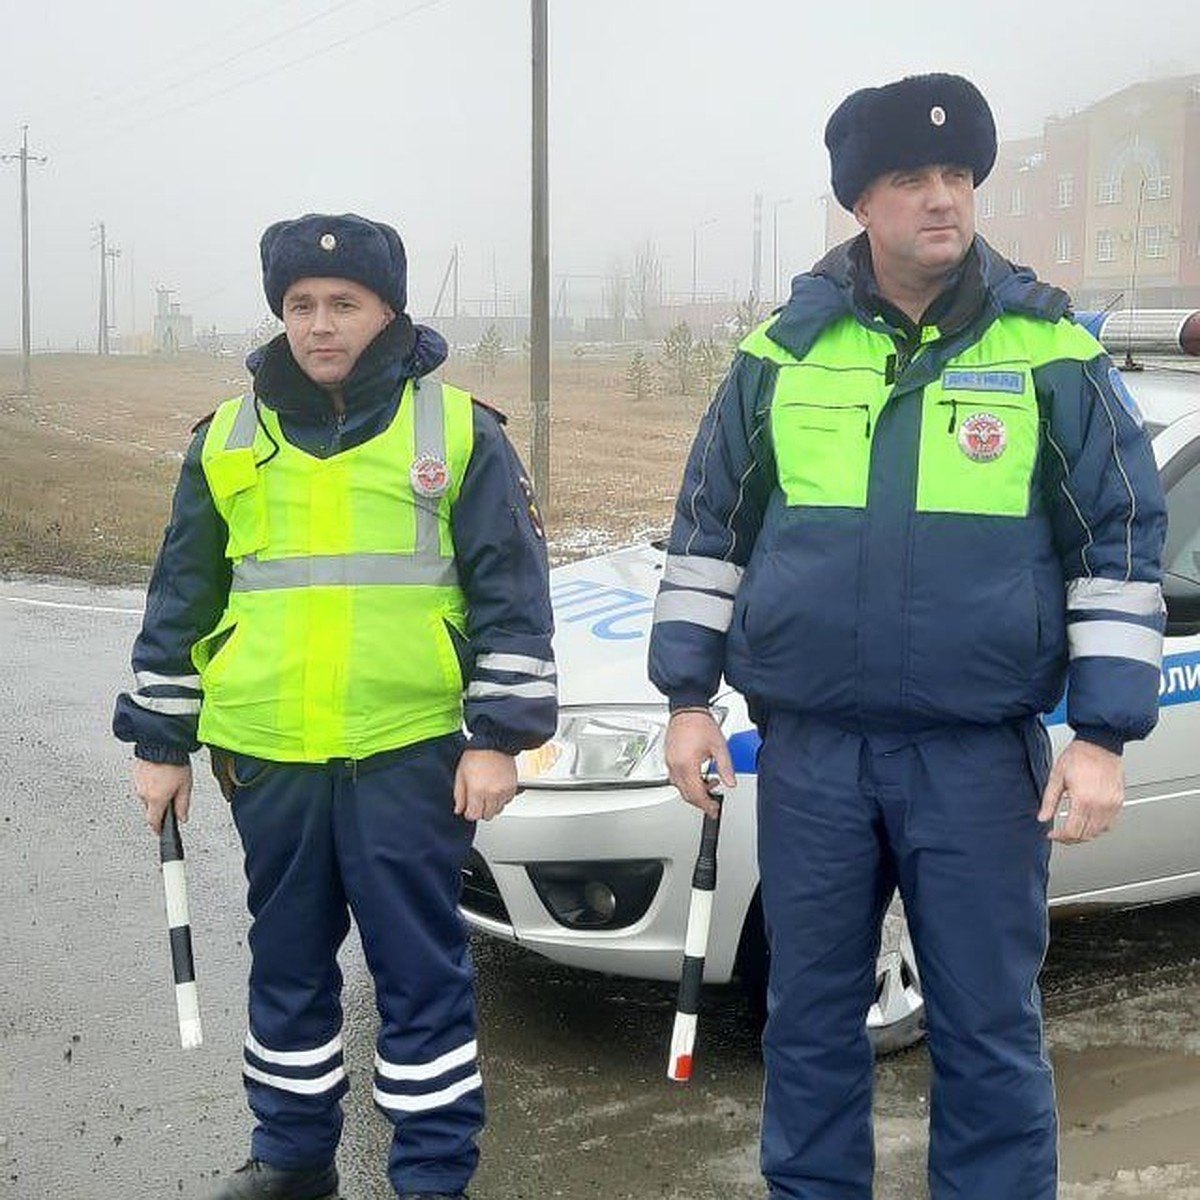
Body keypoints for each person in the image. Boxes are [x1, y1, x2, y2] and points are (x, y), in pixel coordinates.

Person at [649, 74, 1166, 1200]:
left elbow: (1120, 541)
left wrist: (1104, 735)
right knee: (811, 1026)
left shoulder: (1050, 351)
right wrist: (689, 701)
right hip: (816, 755)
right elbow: (708, 535)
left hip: (977, 760)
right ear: (860, 204)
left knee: (987, 1034)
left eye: (957, 177)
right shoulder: (781, 356)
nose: (942, 199)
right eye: (909, 179)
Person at [114, 213, 557, 1200]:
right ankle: (292, 1158)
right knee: (287, 967)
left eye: (344, 304)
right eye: (302, 305)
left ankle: (433, 1176)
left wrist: (498, 741)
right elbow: (180, 600)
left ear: (387, 310)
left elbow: (514, 602)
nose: (321, 324)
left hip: (412, 756)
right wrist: (159, 743)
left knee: (420, 973)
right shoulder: (226, 439)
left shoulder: (457, 431)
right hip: (268, 759)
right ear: (281, 313)